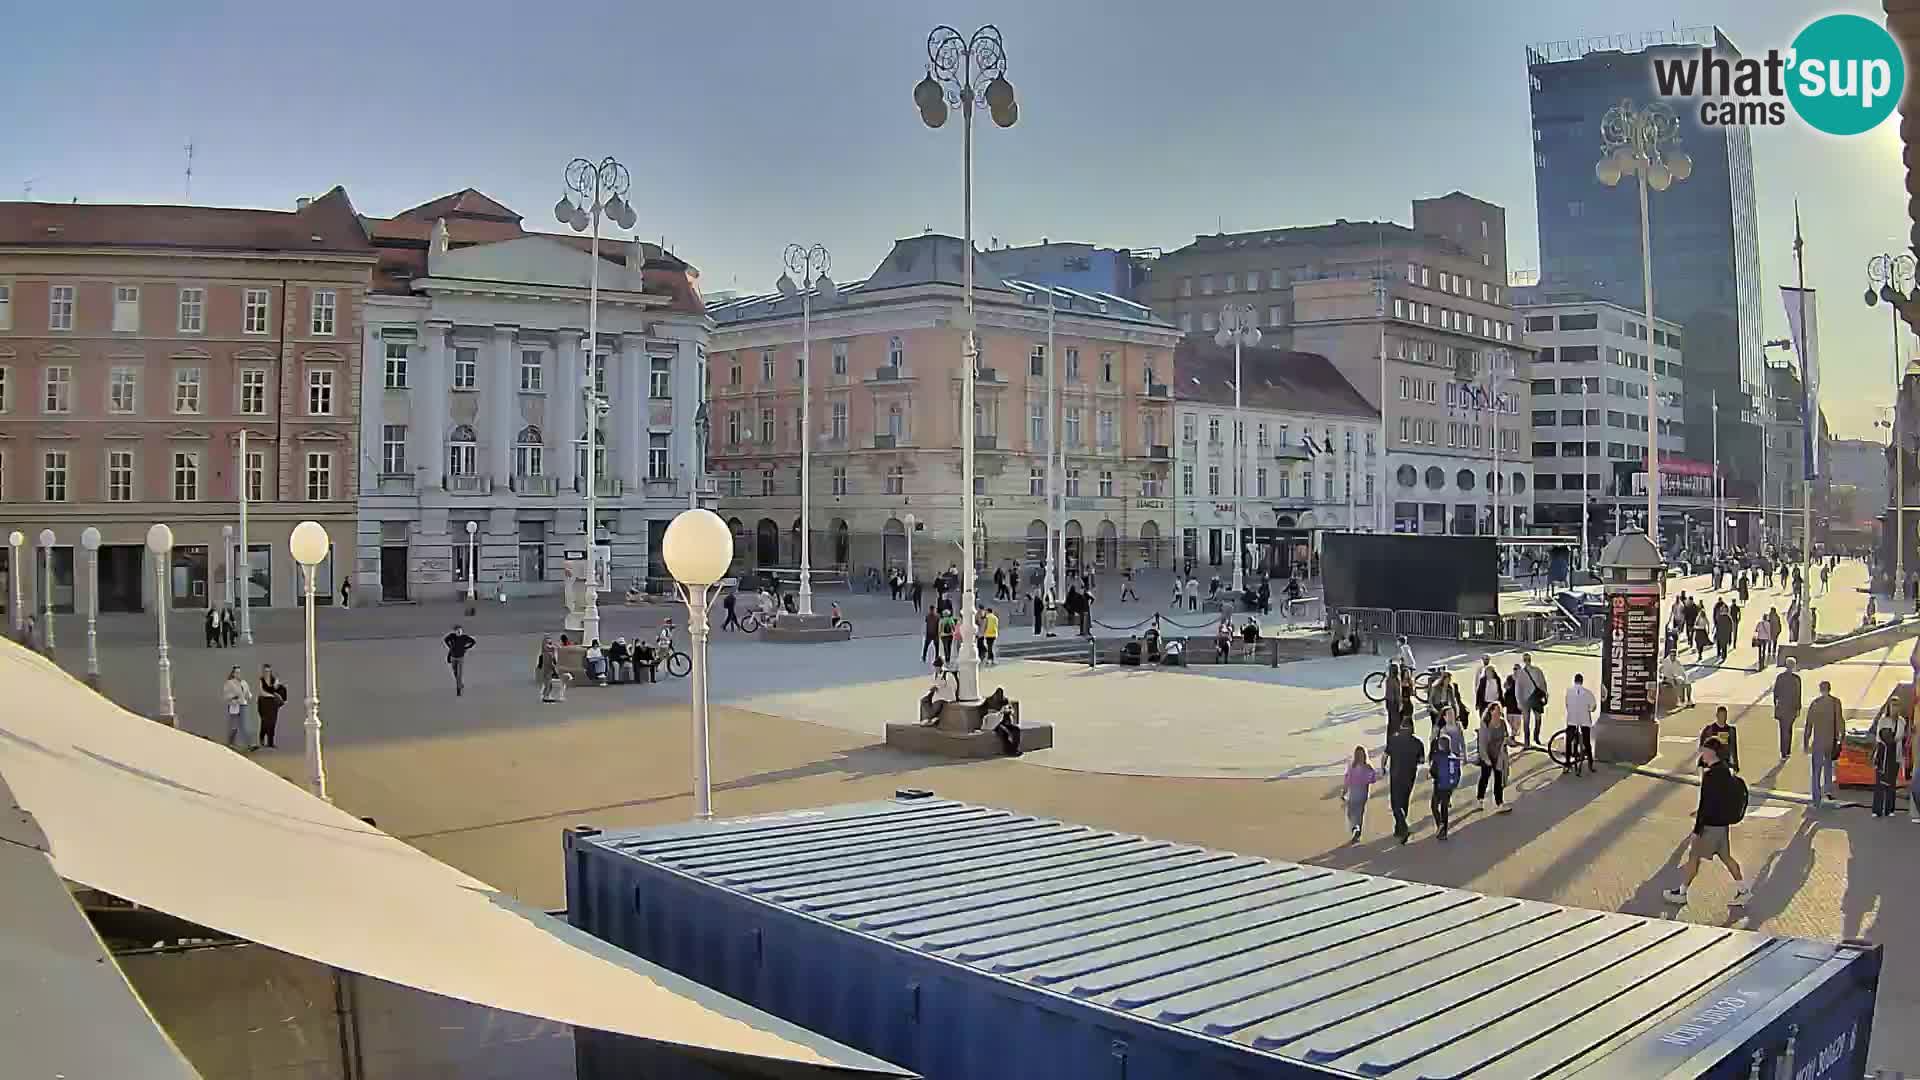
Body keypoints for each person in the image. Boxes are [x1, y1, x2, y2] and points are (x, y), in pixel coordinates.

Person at [1663, 737, 1751, 908]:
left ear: (1711, 753)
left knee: (1693, 857)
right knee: (1726, 857)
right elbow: (1718, 799)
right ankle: (1743, 890)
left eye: (1703, 750)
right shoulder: (1726, 771)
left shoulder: (1710, 776)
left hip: (1710, 826)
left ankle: (1681, 893)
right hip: (1722, 825)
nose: (1701, 754)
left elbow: (1706, 804)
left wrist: (1697, 831)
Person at [1382, 722, 1426, 844]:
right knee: (1405, 801)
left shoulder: (1394, 740)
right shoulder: (1418, 743)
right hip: (1410, 775)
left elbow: (1385, 755)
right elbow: (1422, 760)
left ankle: (1403, 827)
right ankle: (1399, 829)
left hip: (1396, 775)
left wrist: (1383, 767)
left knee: (1395, 804)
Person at [1805, 678, 1842, 809]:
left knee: (1816, 771)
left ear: (1820, 689)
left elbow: (1809, 724)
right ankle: (1827, 791)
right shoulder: (1835, 703)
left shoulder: (1815, 703)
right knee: (1828, 767)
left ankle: (1816, 798)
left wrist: (1806, 742)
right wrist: (1840, 738)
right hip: (1830, 741)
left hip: (1818, 741)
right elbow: (1839, 721)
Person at [1476, 703, 1514, 812]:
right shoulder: (1485, 724)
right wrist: (1486, 759)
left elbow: (1506, 736)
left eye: (1499, 711)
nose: (1498, 713)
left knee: (1499, 779)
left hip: (1499, 755)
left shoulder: (1502, 722)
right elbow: (1482, 743)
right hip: (1487, 754)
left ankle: (1499, 803)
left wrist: (1509, 741)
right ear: (1491, 711)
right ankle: (1480, 799)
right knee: (1485, 777)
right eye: (1496, 711)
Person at [1429, 732, 1463, 841]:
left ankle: (1440, 825)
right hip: (1449, 787)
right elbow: (1458, 773)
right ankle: (1444, 831)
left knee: (1434, 806)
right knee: (1444, 807)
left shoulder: (1437, 757)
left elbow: (1433, 772)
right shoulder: (1454, 757)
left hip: (1438, 786)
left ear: (1440, 745)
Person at [1563, 672, 1597, 776]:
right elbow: (1592, 707)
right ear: (1582, 681)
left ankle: (1568, 763)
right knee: (1586, 742)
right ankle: (1590, 764)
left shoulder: (1569, 692)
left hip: (1572, 719)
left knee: (1569, 742)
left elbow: (1567, 705)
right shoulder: (1588, 693)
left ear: (1574, 681)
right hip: (1584, 720)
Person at [1342, 746, 1377, 843]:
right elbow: (1373, 779)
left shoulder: (1352, 766)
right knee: (1359, 813)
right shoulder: (1368, 767)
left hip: (1354, 792)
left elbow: (1347, 780)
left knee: (1351, 813)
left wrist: (1344, 791)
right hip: (1363, 792)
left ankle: (1355, 828)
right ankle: (1358, 830)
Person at [1772, 657, 1803, 761]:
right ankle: (1787, 751)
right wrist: (1798, 708)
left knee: (1783, 730)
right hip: (1792, 708)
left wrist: (1776, 704)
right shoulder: (1796, 679)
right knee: (1789, 729)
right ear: (1793, 666)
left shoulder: (1780, 677)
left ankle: (1783, 752)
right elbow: (1798, 694)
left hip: (1782, 707)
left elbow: (1775, 693)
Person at [1514, 654, 1547, 747]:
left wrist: (1519, 702)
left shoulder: (1520, 673)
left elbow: (1518, 689)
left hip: (1525, 700)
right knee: (1538, 718)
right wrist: (1544, 695)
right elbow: (1543, 684)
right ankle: (1536, 738)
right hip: (1536, 698)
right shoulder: (1537, 670)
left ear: (1524, 661)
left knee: (1526, 721)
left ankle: (1527, 741)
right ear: (1530, 660)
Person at [1871, 723, 1902, 817]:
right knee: (1879, 785)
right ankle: (1877, 810)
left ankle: (1890, 810)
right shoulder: (1882, 720)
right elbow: (1877, 739)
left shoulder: (1901, 722)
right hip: (1882, 760)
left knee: (1891, 785)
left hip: (1894, 759)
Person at [255, 664, 288, 749]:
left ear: (270, 671)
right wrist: (272, 695)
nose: (267, 673)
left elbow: (278, 688)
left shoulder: (274, 680)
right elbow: (261, 692)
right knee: (265, 721)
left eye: (268, 671)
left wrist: (277, 687)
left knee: (272, 723)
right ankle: (262, 738)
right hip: (263, 703)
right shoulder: (261, 680)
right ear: (263, 671)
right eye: (265, 671)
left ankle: (270, 742)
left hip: (272, 704)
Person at [222, 666, 255, 751]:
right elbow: (226, 695)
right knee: (234, 727)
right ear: (233, 673)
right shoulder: (229, 683)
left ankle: (250, 745)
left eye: (239, 672)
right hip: (234, 706)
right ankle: (230, 743)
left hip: (243, 705)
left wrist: (250, 696)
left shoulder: (244, 682)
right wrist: (233, 697)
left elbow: (247, 692)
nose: (238, 674)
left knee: (245, 725)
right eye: (236, 672)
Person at [1699, 705, 1740, 772]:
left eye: (1724, 715)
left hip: (1724, 763)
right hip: (1710, 764)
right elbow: (1701, 747)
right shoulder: (1709, 729)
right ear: (1717, 715)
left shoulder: (1730, 730)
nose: (1723, 717)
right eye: (1721, 715)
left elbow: (1733, 749)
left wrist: (1735, 765)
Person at [444, 623, 476, 696]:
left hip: (460, 658)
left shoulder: (464, 637)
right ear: (454, 631)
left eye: (459, 630)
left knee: (459, 674)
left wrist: (466, 648)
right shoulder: (452, 636)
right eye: (457, 630)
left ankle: (458, 690)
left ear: (461, 631)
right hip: (453, 658)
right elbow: (445, 640)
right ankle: (459, 683)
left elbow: (473, 642)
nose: (458, 632)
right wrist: (449, 648)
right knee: (455, 672)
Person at [536, 637, 565, 702]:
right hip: (547, 670)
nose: (550, 644)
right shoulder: (547, 653)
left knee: (548, 683)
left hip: (548, 670)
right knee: (548, 683)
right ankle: (546, 696)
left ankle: (546, 695)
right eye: (549, 643)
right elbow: (550, 663)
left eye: (550, 643)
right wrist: (555, 670)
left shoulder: (549, 652)